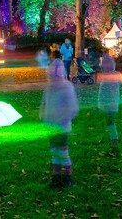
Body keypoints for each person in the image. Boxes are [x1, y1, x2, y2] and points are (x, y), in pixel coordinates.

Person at [40, 50, 79, 188]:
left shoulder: (67, 87)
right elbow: (45, 104)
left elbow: (72, 107)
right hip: (51, 126)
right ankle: (56, 175)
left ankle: (67, 176)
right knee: (54, 151)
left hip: (61, 126)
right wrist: (44, 117)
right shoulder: (49, 88)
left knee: (63, 151)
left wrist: (63, 119)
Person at [98, 53, 122, 148]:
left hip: (109, 103)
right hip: (112, 102)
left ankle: (114, 138)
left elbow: (104, 92)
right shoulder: (117, 75)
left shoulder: (107, 77)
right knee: (109, 121)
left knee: (110, 121)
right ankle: (113, 137)